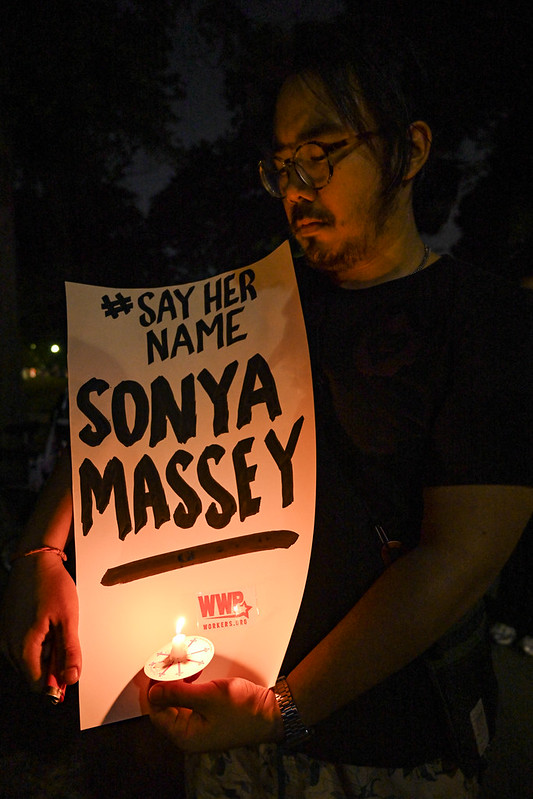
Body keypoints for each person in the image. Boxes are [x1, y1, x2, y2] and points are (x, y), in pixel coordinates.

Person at [1, 20, 532, 799]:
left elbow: (456, 559)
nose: (295, 184)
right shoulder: (255, 304)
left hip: (391, 751)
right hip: (224, 736)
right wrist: (41, 553)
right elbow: (127, 414)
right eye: (281, 162)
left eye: (320, 152)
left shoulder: (485, 323)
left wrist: (283, 709)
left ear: (411, 150)